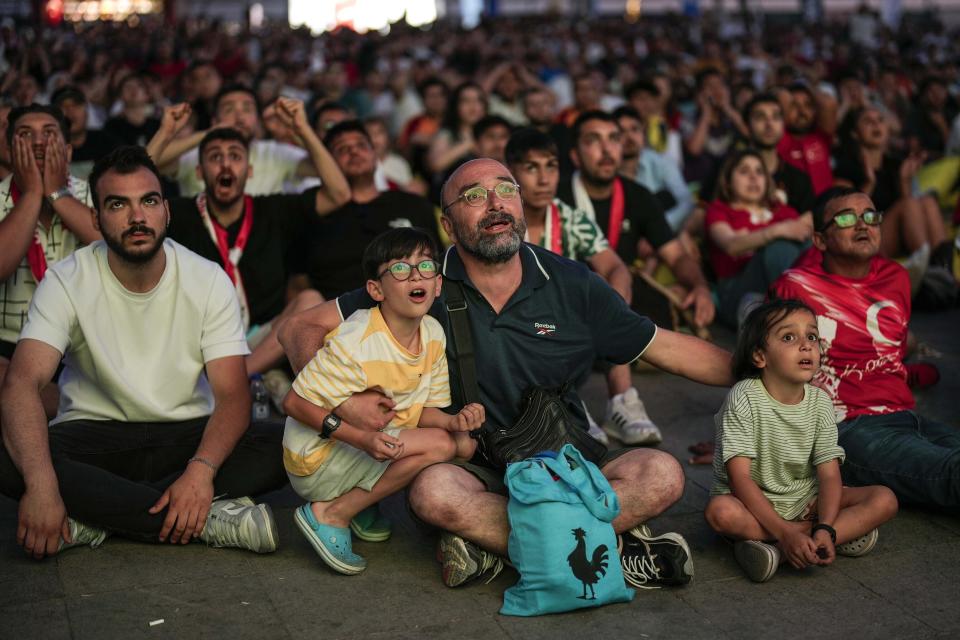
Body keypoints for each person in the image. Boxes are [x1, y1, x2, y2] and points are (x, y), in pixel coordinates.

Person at [279, 157, 735, 590]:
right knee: (433, 493)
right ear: (448, 224)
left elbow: (667, 347)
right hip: (477, 468)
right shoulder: (419, 282)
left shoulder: (571, 283)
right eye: (474, 195)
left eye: (505, 190)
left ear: (519, 205)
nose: (495, 203)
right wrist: (343, 407)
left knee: (662, 474)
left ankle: (501, 550)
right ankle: (608, 550)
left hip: (566, 459)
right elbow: (301, 327)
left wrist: (759, 367)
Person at [0, 146, 287, 559]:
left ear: (166, 211)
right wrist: (42, 486)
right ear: (97, 219)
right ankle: (204, 521)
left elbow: (233, 395)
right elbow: (22, 383)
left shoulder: (206, 278)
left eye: (148, 201)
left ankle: (96, 517)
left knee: (288, 443)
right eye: (118, 205)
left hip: (187, 436)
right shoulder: (68, 279)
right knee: (12, 450)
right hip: (96, 437)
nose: (137, 217)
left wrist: (201, 471)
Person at [283, 228, 482, 575]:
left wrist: (455, 421)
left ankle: (357, 501)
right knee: (439, 445)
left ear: (437, 284)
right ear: (376, 290)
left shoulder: (432, 333)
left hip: (360, 443)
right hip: (313, 457)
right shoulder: (358, 340)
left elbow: (423, 412)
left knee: (458, 442)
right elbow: (294, 403)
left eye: (425, 267)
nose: (416, 275)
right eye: (401, 269)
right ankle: (331, 513)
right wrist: (362, 439)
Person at [772, 187, 960, 511]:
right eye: (846, 218)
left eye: (871, 216)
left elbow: (892, 350)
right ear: (819, 240)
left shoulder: (896, 277)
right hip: (848, 430)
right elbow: (769, 367)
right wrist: (746, 437)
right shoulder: (795, 287)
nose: (863, 225)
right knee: (952, 474)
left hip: (907, 416)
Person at [151, 98, 350, 377]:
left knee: (310, 299)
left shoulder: (273, 210)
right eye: (214, 157)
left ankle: (237, 378)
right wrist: (166, 133)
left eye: (235, 156)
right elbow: (133, 179)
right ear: (199, 172)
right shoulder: (179, 213)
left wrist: (303, 129)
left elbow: (339, 193)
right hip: (195, 340)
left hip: (258, 341)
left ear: (250, 170)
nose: (225, 165)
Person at [704, 299, 897, 583]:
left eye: (812, 336)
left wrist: (826, 526)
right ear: (760, 357)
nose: (806, 345)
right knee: (720, 513)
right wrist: (785, 529)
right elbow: (739, 479)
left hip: (805, 500)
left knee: (885, 499)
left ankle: (793, 547)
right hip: (749, 503)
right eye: (788, 337)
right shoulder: (744, 397)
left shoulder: (820, 402)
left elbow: (829, 475)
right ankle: (811, 538)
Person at [558, 111, 716, 443]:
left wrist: (699, 286)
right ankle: (589, 403)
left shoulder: (637, 195)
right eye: (593, 140)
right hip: (567, 299)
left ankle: (622, 405)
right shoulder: (557, 196)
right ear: (575, 155)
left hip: (621, 293)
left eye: (613, 139)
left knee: (617, 298)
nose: (606, 150)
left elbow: (675, 255)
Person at [505, 127, 633, 444]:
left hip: (559, 329)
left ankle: (623, 402)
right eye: (531, 168)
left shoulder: (570, 217)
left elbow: (616, 266)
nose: (544, 178)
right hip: (510, 329)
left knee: (606, 291)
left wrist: (613, 308)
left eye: (551, 166)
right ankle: (566, 408)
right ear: (511, 173)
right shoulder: (498, 219)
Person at [0, 104, 100, 419]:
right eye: (25, 135)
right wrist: (31, 195)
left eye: (49, 134)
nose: (39, 142)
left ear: (68, 151)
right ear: (10, 150)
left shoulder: (98, 197)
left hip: (86, 348)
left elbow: (122, 251)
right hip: (10, 349)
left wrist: (56, 193)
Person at [299, 120, 441, 300]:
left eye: (361, 145)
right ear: (328, 164)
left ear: (375, 154)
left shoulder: (414, 205)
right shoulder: (314, 215)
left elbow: (437, 266)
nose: (354, 151)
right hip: (337, 318)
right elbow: (299, 283)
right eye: (342, 149)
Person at [149, 85, 319, 196]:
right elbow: (146, 165)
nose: (239, 116)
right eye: (229, 109)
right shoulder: (196, 154)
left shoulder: (276, 152)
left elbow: (325, 170)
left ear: (257, 120)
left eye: (247, 109)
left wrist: (297, 132)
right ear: (215, 121)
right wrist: (205, 135)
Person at [706, 149, 810, 328]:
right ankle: (806, 312)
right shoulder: (720, 210)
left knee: (808, 246)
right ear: (728, 182)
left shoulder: (783, 211)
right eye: (744, 171)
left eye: (759, 172)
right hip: (737, 293)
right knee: (778, 248)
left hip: (777, 292)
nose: (753, 177)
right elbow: (731, 245)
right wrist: (777, 230)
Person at [742, 93, 816, 218]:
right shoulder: (727, 171)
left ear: (783, 125)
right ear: (747, 126)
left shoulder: (799, 179)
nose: (769, 124)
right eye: (760, 117)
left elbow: (809, 226)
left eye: (776, 117)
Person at [51, 86, 122, 180]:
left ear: (87, 111)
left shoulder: (107, 143)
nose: (70, 111)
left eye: (76, 105)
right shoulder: (47, 149)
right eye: (63, 106)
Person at [777, 83, 835, 195]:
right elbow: (781, 96)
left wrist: (808, 86)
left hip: (825, 206)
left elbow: (828, 103)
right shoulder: (780, 139)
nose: (802, 111)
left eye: (808, 105)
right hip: (794, 208)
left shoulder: (821, 136)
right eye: (794, 105)